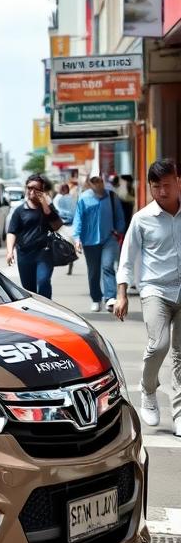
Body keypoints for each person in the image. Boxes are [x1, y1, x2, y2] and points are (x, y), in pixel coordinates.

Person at [114, 160, 181, 435]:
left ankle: (179, 413)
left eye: (167, 185)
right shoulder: (142, 219)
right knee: (159, 345)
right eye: (156, 186)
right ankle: (148, 388)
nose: (162, 192)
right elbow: (127, 258)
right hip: (156, 290)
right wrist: (121, 294)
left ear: (178, 182)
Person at [72, 167, 125, 313]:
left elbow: (120, 216)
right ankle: (96, 298)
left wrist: (118, 231)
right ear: (90, 183)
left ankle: (110, 298)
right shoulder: (84, 198)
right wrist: (76, 238)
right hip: (89, 241)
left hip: (109, 239)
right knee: (94, 272)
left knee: (108, 267)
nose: (97, 183)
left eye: (99, 180)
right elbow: (78, 219)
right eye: (93, 181)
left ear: (103, 180)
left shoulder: (112, 196)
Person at [5, 174, 62, 298]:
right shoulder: (19, 211)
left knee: (43, 281)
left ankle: (46, 306)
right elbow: (12, 232)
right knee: (29, 289)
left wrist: (45, 206)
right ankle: (35, 308)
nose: (32, 191)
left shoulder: (48, 208)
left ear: (42, 191)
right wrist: (10, 252)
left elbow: (57, 226)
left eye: (36, 189)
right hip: (24, 255)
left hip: (44, 253)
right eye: (29, 188)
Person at [52, 182, 77, 275]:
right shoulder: (72, 199)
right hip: (71, 225)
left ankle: (68, 260)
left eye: (61, 189)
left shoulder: (61, 199)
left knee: (63, 244)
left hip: (64, 225)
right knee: (69, 245)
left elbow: (58, 212)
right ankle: (70, 262)